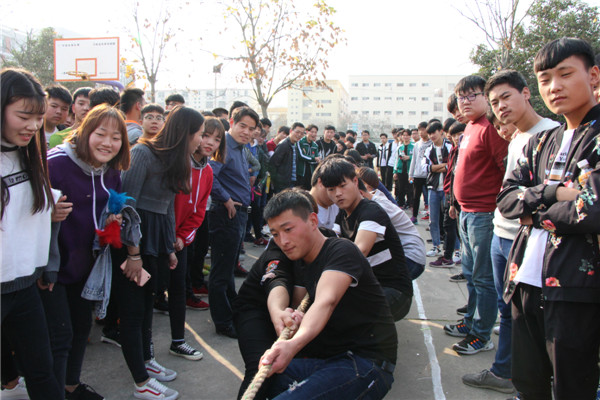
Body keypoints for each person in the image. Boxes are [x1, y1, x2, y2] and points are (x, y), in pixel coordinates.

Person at [497, 37, 600, 400]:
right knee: (528, 383)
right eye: (545, 79)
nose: (554, 87)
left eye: (565, 74)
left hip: (577, 288)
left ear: (593, 76)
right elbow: (506, 200)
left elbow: (591, 210)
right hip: (525, 280)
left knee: (573, 387)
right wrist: (555, 193)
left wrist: (533, 211)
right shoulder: (541, 142)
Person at [460, 69, 560, 394]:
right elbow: (508, 196)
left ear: (527, 92)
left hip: (529, 240)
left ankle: (528, 381)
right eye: (495, 102)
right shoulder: (515, 137)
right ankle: (505, 372)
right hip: (501, 235)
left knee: (532, 317)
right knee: (507, 311)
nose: (500, 106)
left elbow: (552, 201)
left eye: (506, 97)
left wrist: (523, 205)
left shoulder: (552, 135)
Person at [260, 190, 398, 400]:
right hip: (330, 358)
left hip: (366, 362)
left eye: (288, 229)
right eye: (275, 234)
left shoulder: (342, 250)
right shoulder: (301, 260)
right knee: (264, 382)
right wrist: (293, 319)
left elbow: (326, 301)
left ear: (313, 221)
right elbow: (299, 302)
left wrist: (291, 345)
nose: (283, 241)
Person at [45, 104, 132, 400]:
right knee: (59, 336)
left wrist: (113, 218)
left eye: (116, 137)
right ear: (85, 132)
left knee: (81, 327)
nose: (108, 143)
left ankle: (71, 385)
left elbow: (112, 204)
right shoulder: (54, 163)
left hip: (88, 265)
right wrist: (45, 210)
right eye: (101, 134)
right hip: (50, 267)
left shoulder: (111, 171)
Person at [119, 105, 204, 400]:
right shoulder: (142, 153)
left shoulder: (176, 160)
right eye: (200, 134)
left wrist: (168, 247)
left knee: (145, 308)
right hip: (136, 241)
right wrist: (133, 253)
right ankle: (141, 382)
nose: (202, 140)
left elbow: (168, 207)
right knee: (132, 311)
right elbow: (127, 206)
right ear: (186, 133)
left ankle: (146, 360)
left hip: (155, 241)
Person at [1, 68, 63, 400]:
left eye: (37, 118)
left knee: (42, 368)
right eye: (24, 116)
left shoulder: (28, 153)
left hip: (24, 283)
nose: (33, 126)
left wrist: (51, 209)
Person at [443, 74, 509, 355]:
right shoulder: (470, 128)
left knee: (483, 278)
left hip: (484, 214)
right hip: (467, 213)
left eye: (473, 95)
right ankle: (470, 322)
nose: (466, 102)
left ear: (486, 97)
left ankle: (481, 335)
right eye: (461, 97)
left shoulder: (491, 128)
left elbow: (506, 171)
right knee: (470, 273)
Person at [320, 158, 413, 321]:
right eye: (331, 189)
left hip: (394, 291)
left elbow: (358, 252)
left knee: (338, 311)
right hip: (368, 286)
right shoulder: (342, 214)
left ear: (355, 182)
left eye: (342, 186)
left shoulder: (371, 211)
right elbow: (331, 241)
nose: (338, 194)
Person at [208, 106, 260, 338]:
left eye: (251, 129)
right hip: (225, 214)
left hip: (238, 214)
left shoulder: (240, 148)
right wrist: (226, 199)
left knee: (229, 266)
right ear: (231, 122)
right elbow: (210, 175)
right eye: (242, 126)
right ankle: (223, 321)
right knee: (221, 272)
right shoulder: (224, 145)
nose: (247, 132)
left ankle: (232, 309)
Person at [357, 167, 426, 280]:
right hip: (412, 254)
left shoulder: (376, 206)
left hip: (410, 258)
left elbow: (363, 249)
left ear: (364, 185)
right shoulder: (376, 196)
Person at [421, 121, 453, 260]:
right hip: (433, 188)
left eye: (434, 132)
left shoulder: (450, 147)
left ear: (441, 131)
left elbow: (453, 167)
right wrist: (443, 166)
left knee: (450, 221)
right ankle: (436, 246)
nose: (432, 135)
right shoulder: (428, 150)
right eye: (429, 133)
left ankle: (455, 249)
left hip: (448, 189)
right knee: (433, 220)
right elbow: (425, 168)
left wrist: (436, 167)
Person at [270, 122, 304, 193]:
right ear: (291, 131)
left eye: (302, 133)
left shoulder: (295, 145)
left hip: (291, 182)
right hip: (282, 184)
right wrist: (276, 182)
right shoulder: (283, 145)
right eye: (297, 132)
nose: (299, 135)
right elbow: (273, 164)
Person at [408, 121, 431, 223]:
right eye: (419, 130)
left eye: (423, 129)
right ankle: (414, 216)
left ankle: (430, 216)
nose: (421, 132)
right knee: (416, 197)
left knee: (430, 198)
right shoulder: (417, 144)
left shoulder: (432, 143)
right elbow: (414, 160)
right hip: (418, 175)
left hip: (429, 174)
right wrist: (411, 174)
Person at [394, 129, 414, 208]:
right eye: (404, 135)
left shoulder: (414, 147)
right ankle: (401, 203)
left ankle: (410, 203)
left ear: (410, 136)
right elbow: (396, 160)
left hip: (410, 171)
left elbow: (417, 158)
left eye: (407, 135)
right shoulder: (399, 147)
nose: (405, 137)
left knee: (410, 187)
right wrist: (395, 171)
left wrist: (409, 157)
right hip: (400, 171)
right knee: (400, 188)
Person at [296, 124, 320, 190]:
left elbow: (317, 158)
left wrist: (316, 159)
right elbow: (301, 155)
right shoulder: (300, 142)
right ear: (307, 132)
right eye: (312, 132)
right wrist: (313, 159)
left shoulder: (315, 145)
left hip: (311, 173)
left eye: (315, 132)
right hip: (301, 173)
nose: (314, 134)